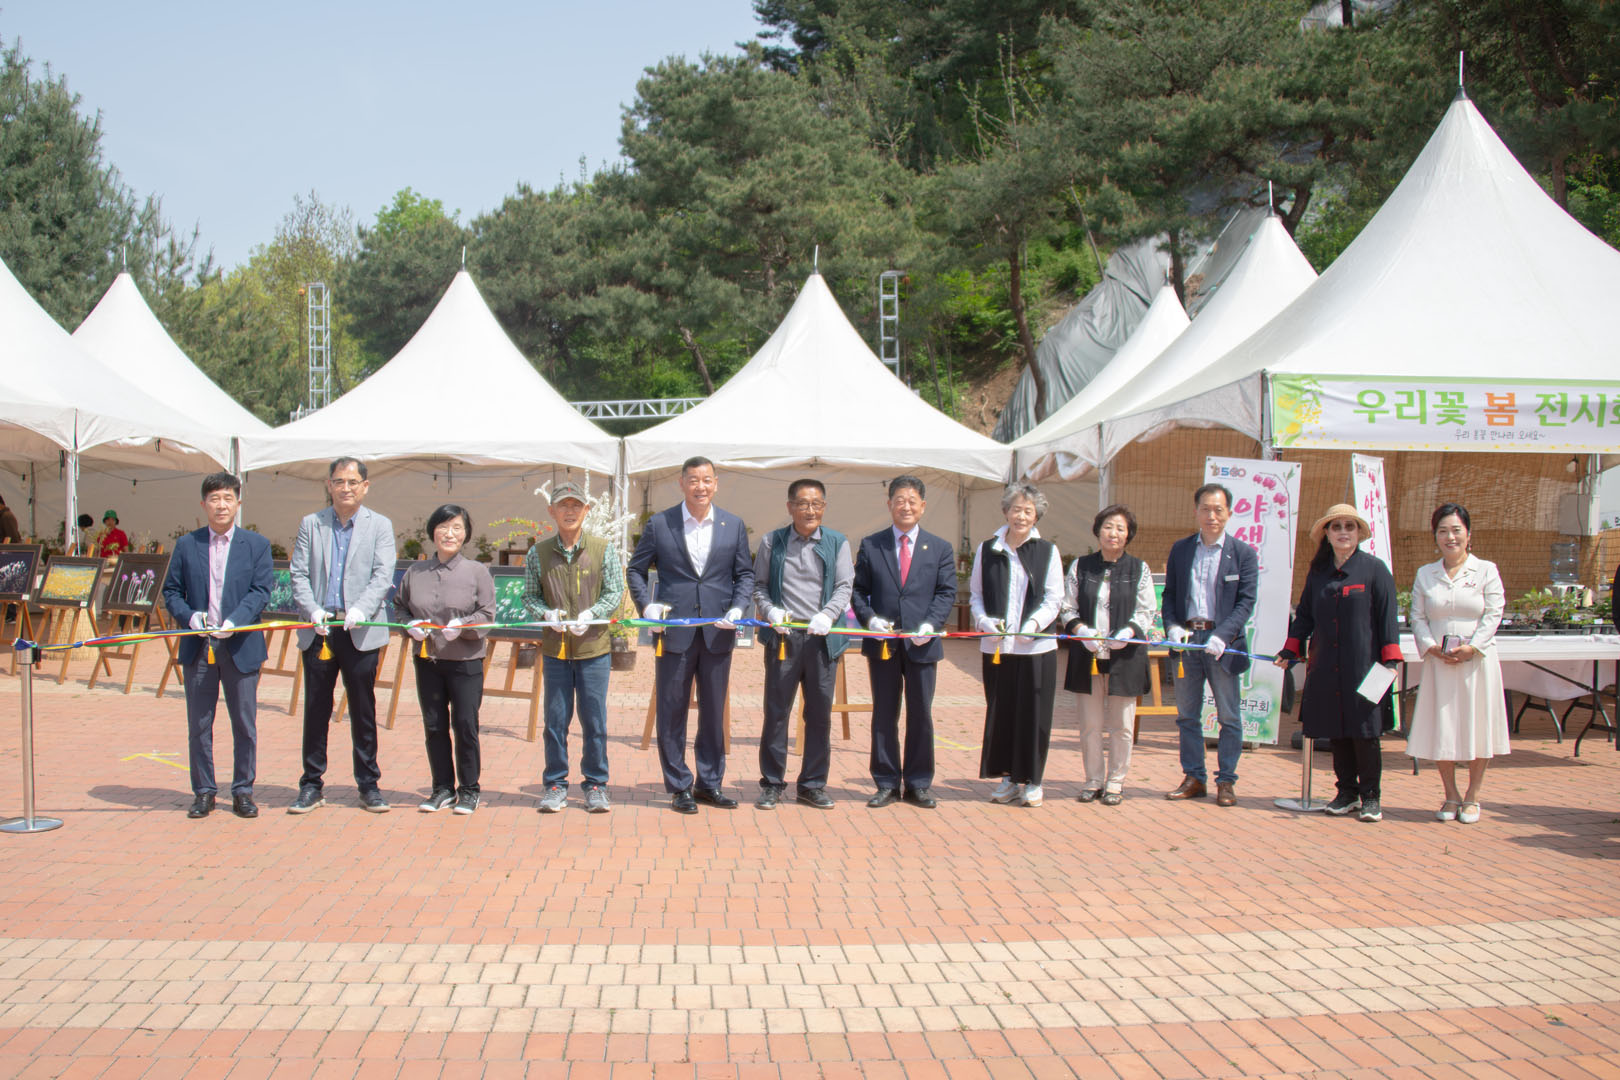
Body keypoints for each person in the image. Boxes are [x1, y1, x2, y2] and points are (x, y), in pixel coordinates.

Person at [627, 456, 754, 814]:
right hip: (674, 631)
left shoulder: (733, 524)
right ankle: (679, 785)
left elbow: (744, 574)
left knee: (714, 711)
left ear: (716, 484)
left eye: (707, 480)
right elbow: (636, 570)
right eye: (694, 480)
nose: (701, 487)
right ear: (681, 483)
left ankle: (709, 783)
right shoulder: (660, 523)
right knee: (672, 710)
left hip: (718, 631)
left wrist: (738, 607)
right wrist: (646, 606)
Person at [1275, 504, 1402, 823]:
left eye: (1349, 526)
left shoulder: (1375, 569)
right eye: (1336, 526)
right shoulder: (1318, 573)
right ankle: (1346, 793)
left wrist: (1391, 662)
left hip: (1365, 666)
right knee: (1337, 731)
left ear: (1358, 533)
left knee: (1365, 732)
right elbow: (1304, 616)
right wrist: (1290, 651)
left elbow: (1387, 618)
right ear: (1327, 534)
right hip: (1326, 665)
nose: (1343, 532)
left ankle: (1371, 797)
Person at [288, 456, 397, 814]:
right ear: (329, 485)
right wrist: (312, 609)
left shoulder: (379, 525)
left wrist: (361, 609)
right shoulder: (312, 524)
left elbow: (382, 575)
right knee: (316, 708)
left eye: (352, 482)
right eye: (339, 481)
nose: (345, 488)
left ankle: (369, 784)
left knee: (363, 709)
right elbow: (298, 574)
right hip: (320, 629)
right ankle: (311, 784)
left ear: (365, 486)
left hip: (359, 630)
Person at [161, 472, 273, 819]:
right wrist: (190, 617)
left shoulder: (256, 545)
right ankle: (204, 792)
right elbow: (171, 591)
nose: (221, 505)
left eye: (227, 498)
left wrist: (235, 620)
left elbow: (261, 591)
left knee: (244, 724)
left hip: (240, 647)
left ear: (238, 503)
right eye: (214, 499)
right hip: (199, 647)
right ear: (203, 504)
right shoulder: (187, 544)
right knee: (199, 724)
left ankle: (243, 791)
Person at [851, 475, 958, 809]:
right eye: (899, 500)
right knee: (884, 714)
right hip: (883, 644)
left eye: (912, 501)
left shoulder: (940, 548)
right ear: (889, 505)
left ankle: (918, 783)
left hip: (922, 643)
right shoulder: (872, 545)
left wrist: (931, 624)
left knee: (921, 713)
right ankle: (885, 782)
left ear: (922, 506)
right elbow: (857, 591)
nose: (906, 507)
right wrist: (871, 619)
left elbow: (946, 592)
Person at [752, 478, 854, 810]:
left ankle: (812, 784)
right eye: (802, 503)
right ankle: (772, 783)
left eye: (816, 504)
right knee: (777, 712)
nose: (810, 510)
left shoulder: (838, 542)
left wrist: (828, 614)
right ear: (790, 507)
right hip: (784, 638)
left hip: (822, 638)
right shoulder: (772, 542)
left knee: (819, 714)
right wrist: (770, 611)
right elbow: (759, 585)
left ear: (824, 507)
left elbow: (844, 586)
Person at [523, 480, 623, 814]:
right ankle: (555, 784)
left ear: (587, 510)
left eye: (576, 505)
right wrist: (545, 613)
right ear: (551, 511)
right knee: (555, 720)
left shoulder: (602, 549)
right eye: (563, 505)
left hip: (593, 648)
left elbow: (614, 591)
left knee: (594, 721)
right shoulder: (538, 553)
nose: (570, 511)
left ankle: (596, 784)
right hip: (556, 650)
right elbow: (529, 595)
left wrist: (594, 613)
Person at [1406, 503, 1510, 823]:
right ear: (1435, 536)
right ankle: (1450, 794)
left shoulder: (1486, 570)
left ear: (1468, 534)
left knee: (1477, 725)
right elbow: (1417, 617)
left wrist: (1474, 647)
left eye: (1456, 530)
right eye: (1443, 531)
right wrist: (1430, 647)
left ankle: (1473, 796)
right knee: (1443, 726)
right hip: (1440, 663)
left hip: (1476, 663)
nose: (1450, 537)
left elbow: (1494, 612)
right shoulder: (1426, 574)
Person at [1162, 483, 1259, 806]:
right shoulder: (1181, 549)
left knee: (1229, 715)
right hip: (1188, 641)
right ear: (1196, 512)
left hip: (1222, 644)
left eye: (1218, 510)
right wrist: (1173, 626)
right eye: (1205, 509)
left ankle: (1226, 781)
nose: (1211, 516)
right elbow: (1170, 596)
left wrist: (1224, 635)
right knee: (1187, 715)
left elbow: (1246, 602)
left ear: (1229, 513)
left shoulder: (1243, 554)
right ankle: (1194, 777)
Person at [395, 504, 495, 816]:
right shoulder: (415, 572)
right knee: (434, 725)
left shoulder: (477, 572)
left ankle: (469, 789)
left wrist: (463, 626)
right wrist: (409, 625)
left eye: (456, 528)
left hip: (465, 660)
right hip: (428, 660)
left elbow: (487, 614)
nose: (449, 534)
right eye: (443, 527)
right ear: (433, 531)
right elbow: (400, 608)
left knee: (465, 724)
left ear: (466, 534)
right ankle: (442, 788)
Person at [970, 481, 1064, 807]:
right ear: (1005, 511)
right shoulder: (987, 549)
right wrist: (984, 622)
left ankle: (1033, 780)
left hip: (1036, 648)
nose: (1021, 516)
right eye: (1016, 509)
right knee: (1003, 712)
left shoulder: (1047, 551)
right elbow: (976, 595)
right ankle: (1008, 778)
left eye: (1028, 511)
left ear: (1037, 515)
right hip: (998, 648)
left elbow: (1054, 599)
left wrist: (1034, 625)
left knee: (1034, 715)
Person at [1060, 504, 1156, 806]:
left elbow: (1147, 610)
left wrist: (1128, 632)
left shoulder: (1139, 569)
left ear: (1129, 535)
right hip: (1088, 657)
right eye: (1108, 527)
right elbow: (1067, 607)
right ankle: (1092, 780)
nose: (1113, 533)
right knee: (1090, 725)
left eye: (1120, 528)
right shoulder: (1081, 566)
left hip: (1125, 659)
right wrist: (1081, 630)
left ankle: (1115, 782)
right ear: (1098, 530)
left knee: (1122, 726)